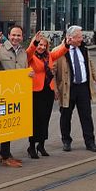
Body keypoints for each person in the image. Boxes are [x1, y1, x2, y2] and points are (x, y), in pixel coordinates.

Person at [54, 25, 96, 152]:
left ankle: (90, 142)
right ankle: (66, 141)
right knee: (66, 116)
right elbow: (52, 71)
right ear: (70, 38)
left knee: (86, 115)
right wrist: (55, 89)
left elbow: (90, 63)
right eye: (79, 37)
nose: (82, 39)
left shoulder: (84, 49)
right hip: (67, 88)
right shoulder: (59, 51)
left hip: (83, 88)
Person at [0, 25, 29, 167]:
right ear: (9, 35)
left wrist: (29, 74)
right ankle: (5, 156)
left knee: (11, 123)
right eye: (13, 35)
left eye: (19, 35)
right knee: (4, 125)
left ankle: (6, 153)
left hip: (17, 94)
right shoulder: (1, 49)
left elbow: (24, 70)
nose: (16, 38)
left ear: (22, 37)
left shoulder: (23, 52)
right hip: (3, 95)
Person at [25, 31, 68, 159]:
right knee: (35, 119)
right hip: (35, 91)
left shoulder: (48, 56)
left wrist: (66, 43)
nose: (42, 47)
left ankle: (41, 145)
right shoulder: (31, 56)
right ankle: (31, 146)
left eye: (44, 45)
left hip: (47, 90)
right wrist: (34, 43)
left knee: (45, 118)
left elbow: (59, 52)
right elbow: (28, 53)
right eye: (40, 45)